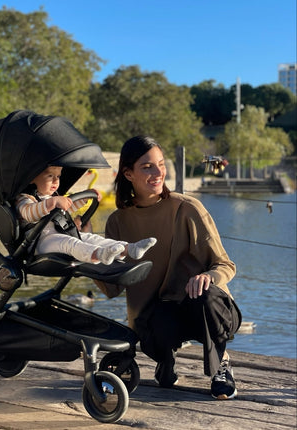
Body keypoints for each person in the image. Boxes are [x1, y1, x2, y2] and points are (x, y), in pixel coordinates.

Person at [94, 135, 242, 400]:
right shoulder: (117, 222)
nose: (158, 172)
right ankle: (165, 359)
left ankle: (221, 365)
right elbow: (111, 287)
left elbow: (226, 265)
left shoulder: (188, 208)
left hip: (202, 307)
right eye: (147, 166)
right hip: (157, 316)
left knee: (205, 295)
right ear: (128, 174)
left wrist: (208, 276)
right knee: (157, 321)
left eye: (160, 164)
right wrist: (87, 251)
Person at [15, 165, 157, 265]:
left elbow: (68, 208)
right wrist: (52, 203)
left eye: (58, 176)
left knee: (91, 237)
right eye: (50, 176)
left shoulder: (54, 196)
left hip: (62, 234)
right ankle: (98, 254)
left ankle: (128, 249)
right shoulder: (25, 199)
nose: (56, 181)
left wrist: (85, 198)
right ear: (32, 177)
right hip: (40, 243)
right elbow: (29, 214)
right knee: (71, 243)